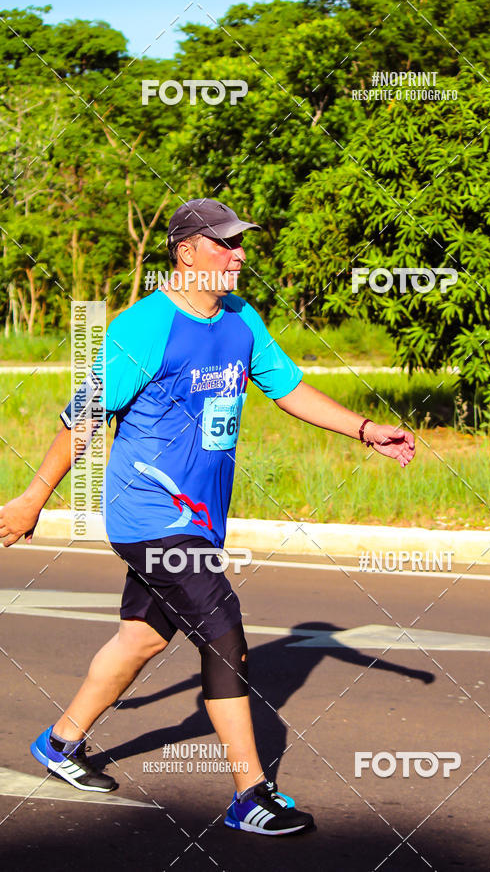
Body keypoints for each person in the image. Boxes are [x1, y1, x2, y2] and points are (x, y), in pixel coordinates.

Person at [0, 198, 416, 836]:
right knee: (224, 631)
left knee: (141, 638)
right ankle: (250, 792)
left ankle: (60, 744)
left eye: (240, 242)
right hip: (149, 515)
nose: (238, 253)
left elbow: (287, 388)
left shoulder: (241, 319)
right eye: (224, 243)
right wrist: (34, 498)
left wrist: (365, 430)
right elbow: (80, 416)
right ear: (186, 251)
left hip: (198, 519)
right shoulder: (142, 329)